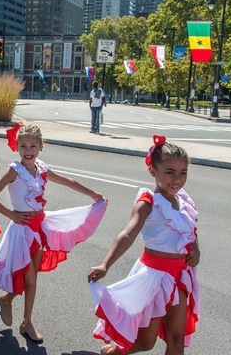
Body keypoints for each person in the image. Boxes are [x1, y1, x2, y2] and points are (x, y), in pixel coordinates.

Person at [0, 123, 107, 342]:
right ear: (17, 147)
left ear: (41, 146)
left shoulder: (41, 168)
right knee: (28, 277)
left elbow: (67, 181)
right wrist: (12, 215)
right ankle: (20, 314)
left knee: (33, 277)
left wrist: (91, 193)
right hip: (21, 229)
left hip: (39, 227)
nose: (28, 150)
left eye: (32, 145)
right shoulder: (15, 170)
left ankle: (17, 310)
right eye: (23, 146)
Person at [87, 135, 200, 355]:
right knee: (145, 343)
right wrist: (105, 264)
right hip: (154, 278)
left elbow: (190, 228)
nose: (177, 179)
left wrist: (195, 248)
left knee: (176, 339)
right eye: (170, 172)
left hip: (180, 276)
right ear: (153, 172)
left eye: (183, 172)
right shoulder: (148, 202)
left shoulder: (183, 200)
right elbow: (127, 234)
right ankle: (112, 353)